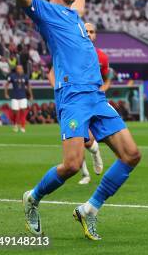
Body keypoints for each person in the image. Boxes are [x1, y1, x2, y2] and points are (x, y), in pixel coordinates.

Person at [6, 0, 141, 240]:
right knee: (70, 165)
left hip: (96, 96)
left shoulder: (75, 15)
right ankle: (33, 197)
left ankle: (90, 209)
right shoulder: (45, 11)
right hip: (73, 97)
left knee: (132, 155)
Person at [47, 22, 106, 185]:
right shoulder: (69, 50)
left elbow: (106, 77)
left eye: (91, 31)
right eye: (85, 30)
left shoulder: (101, 57)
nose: (88, 33)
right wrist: (61, 90)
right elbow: (51, 74)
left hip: (94, 101)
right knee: (77, 139)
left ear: (95, 35)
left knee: (90, 142)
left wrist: (102, 89)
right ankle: (85, 174)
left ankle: (95, 152)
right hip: (72, 102)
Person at [4, 64, 33, 133]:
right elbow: (6, 85)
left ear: (22, 69)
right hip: (14, 96)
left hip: (23, 96)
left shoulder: (25, 76)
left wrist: (31, 95)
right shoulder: (12, 76)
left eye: (21, 68)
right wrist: (6, 94)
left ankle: (23, 127)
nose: (20, 70)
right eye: (18, 68)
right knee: (15, 112)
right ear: (16, 69)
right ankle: (15, 124)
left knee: (23, 111)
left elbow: (28, 86)